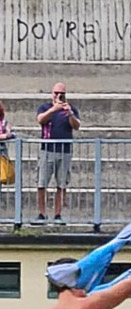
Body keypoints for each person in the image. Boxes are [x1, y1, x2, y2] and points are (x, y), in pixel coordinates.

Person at [34, 83, 79, 225]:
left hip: (64, 151)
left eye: (61, 93)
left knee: (62, 184)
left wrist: (69, 113)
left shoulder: (71, 109)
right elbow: (41, 120)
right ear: (52, 93)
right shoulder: (45, 108)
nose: (58, 95)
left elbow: (76, 126)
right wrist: (54, 109)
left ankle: (58, 214)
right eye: (56, 92)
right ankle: (42, 213)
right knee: (42, 183)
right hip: (47, 150)